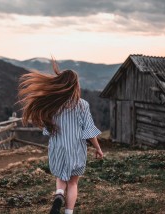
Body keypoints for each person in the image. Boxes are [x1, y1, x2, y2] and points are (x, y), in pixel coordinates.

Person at [18, 60, 103, 214]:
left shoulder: (52, 104)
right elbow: (89, 130)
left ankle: (58, 194)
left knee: (60, 177)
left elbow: (48, 129)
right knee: (73, 183)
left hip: (57, 147)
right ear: (75, 85)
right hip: (76, 149)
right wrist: (98, 148)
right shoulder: (82, 105)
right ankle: (68, 212)